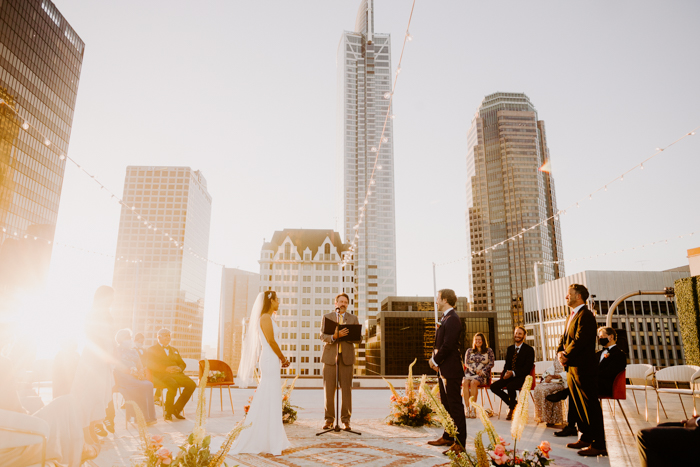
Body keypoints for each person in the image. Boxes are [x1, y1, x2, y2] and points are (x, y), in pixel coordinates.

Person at [1, 355, 97, 466]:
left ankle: (82, 449)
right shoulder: (5, 377)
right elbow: (17, 412)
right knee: (66, 403)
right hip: (16, 449)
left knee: (62, 407)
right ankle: (81, 451)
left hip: (10, 442)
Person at [231, 291, 291, 455]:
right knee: (269, 394)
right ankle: (264, 438)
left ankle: (270, 437)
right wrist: (283, 358)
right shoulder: (265, 317)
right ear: (271, 301)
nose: (279, 303)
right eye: (277, 300)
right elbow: (271, 341)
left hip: (271, 358)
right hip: (270, 358)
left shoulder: (269, 317)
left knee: (271, 396)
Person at [557, 283, 607, 457]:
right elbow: (564, 338)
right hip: (572, 368)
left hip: (584, 368)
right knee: (578, 405)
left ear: (578, 296)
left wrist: (566, 355)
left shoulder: (586, 315)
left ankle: (599, 444)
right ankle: (585, 437)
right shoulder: (570, 316)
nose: (566, 297)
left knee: (590, 406)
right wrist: (559, 352)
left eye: (568, 294)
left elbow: (580, 340)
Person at [71, 285, 117, 442]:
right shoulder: (93, 314)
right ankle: (86, 429)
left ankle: (92, 426)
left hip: (105, 359)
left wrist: (113, 352)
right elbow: (91, 336)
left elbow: (111, 337)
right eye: (110, 296)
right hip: (94, 356)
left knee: (99, 394)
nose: (112, 300)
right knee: (90, 393)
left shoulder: (108, 315)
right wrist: (104, 352)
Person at [427, 289, 467, 456]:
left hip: (451, 370)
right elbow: (439, 344)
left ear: (444, 299)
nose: (436, 301)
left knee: (455, 406)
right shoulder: (445, 318)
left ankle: (460, 442)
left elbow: (449, 345)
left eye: (438, 298)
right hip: (443, 369)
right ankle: (448, 436)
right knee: (446, 405)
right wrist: (434, 357)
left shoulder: (453, 319)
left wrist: (435, 361)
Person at [320, 293, 361, 431]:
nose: (343, 304)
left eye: (345, 302)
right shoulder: (327, 317)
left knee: (346, 392)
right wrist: (334, 336)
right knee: (329, 391)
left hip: (347, 359)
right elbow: (322, 336)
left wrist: (346, 336)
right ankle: (329, 420)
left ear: (347, 304)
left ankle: (346, 420)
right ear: (335, 303)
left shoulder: (353, 318)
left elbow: (359, 338)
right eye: (341, 301)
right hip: (330, 358)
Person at [144, 328, 196, 421]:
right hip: (161, 375)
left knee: (192, 384)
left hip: (177, 374)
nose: (168, 337)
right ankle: (168, 412)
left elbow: (182, 363)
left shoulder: (174, 350)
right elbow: (150, 364)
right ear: (158, 337)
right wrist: (165, 369)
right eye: (165, 335)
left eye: (169, 336)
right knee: (173, 385)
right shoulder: (151, 349)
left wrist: (179, 368)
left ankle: (176, 409)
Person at [490, 326, 535, 421]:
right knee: (493, 387)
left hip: (522, 377)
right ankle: (514, 403)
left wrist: (513, 373)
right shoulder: (510, 349)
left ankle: (511, 409)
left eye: (520, 334)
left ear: (524, 336)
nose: (517, 335)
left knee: (511, 386)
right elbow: (507, 364)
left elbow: (527, 368)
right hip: (509, 376)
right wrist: (506, 373)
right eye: (516, 333)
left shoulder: (529, 350)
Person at [113, 328, 157, 425]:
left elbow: (140, 365)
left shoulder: (133, 351)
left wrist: (140, 372)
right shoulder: (116, 351)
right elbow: (118, 367)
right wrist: (132, 372)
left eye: (130, 337)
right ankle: (140, 417)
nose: (130, 339)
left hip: (135, 376)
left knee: (148, 384)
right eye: (127, 337)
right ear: (121, 339)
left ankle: (148, 416)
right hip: (124, 376)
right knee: (142, 386)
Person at [462, 332, 495, 418]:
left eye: (479, 339)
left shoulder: (489, 351)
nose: (478, 341)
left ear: (483, 341)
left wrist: (483, 371)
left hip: (482, 375)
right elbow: (466, 363)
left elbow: (491, 363)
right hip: (470, 373)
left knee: (473, 383)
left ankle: (473, 408)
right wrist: (474, 370)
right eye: (476, 340)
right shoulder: (469, 351)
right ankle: (467, 408)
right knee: (465, 382)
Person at [533, 359, 567, 426]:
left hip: (562, 381)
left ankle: (552, 419)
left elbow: (568, 372)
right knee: (537, 388)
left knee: (546, 390)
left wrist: (556, 376)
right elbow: (552, 368)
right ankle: (541, 416)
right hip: (553, 380)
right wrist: (548, 375)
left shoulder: (568, 357)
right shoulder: (557, 357)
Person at [595, 327, 627, 398]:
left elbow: (610, 372)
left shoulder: (619, 354)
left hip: (607, 386)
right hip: (596, 383)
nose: (600, 339)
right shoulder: (598, 354)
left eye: (602, 337)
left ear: (611, 337)